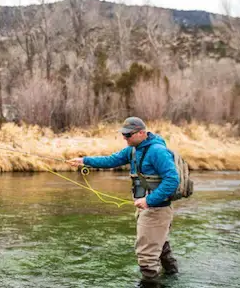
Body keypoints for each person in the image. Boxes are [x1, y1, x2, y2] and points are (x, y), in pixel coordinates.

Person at [68, 116, 180, 281]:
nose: (124, 138)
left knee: (146, 258)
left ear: (142, 133)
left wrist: (149, 201)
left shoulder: (157, 151)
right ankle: (173, 278)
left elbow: (172, 180)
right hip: (146, 207)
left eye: (128, 135)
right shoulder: (133, 149)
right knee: (160, 245)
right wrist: (84, 161)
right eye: (123, 134)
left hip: (156, 209)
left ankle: (153, 282)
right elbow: (111, 160)